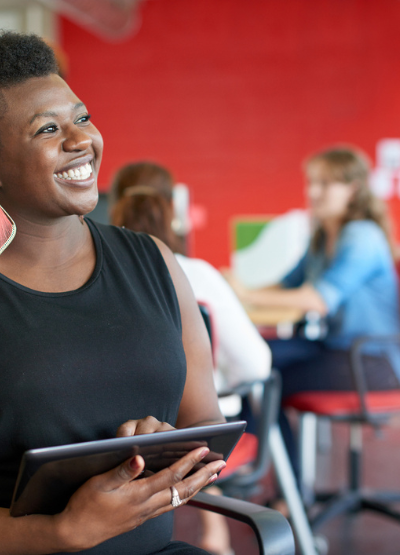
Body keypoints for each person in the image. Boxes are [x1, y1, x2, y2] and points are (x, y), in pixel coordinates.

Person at [0, 32, 227, 555]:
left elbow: (206, 425)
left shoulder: (154, 261)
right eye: (47, 129)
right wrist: (61, 532)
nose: (80, 140)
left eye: (81, 118)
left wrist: (164, 446)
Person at [110, 170, 272, 555]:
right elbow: (257, 365)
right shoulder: (197, 274)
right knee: (244, 396)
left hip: (118, 436)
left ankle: (213, 529)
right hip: (198, 435)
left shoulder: (93, 282)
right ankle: (252, 517)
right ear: (173, 212)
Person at [228, 146, 400, 474]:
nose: (313, 192)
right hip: (336, 348)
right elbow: (287, 286)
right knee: (248, 359)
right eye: (312, 183)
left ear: (353, 188)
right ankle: (262, 472)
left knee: (263, 380)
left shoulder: (361, 236)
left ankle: (285, 490)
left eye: (326, 184)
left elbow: (317, 299)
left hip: (371, 361)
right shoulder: (323, 236)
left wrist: (245, 293)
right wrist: (234, 292)